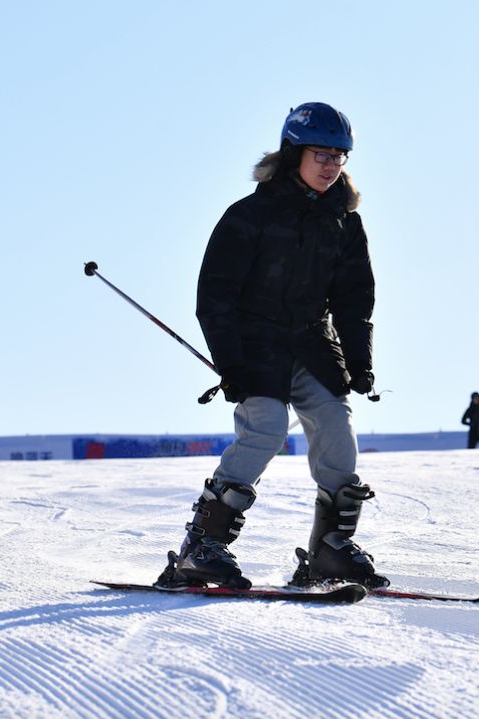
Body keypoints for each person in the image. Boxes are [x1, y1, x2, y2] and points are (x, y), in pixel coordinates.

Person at [162, 102, 386, 591]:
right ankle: (202, 548)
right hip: (255, 342)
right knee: (264, 427)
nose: (331, 165)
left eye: (340, 156)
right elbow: (215, 294)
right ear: (293, 153)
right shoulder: (251, 214)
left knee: (335, 425)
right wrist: (231, 360)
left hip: (311, 343)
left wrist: (359, 363)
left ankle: (331, 550)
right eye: (321, 154)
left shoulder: (344, 221)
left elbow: (353, 300)